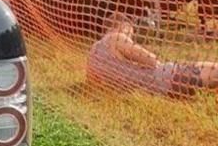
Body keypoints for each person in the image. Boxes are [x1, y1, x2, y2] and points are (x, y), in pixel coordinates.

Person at [86, 13, 218, 97]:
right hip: (166, 79)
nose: (131, 37)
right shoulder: (116, 37)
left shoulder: (92, 54)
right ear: (124, 27)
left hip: (154, 92)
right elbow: (152, 61)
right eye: (130, 33)